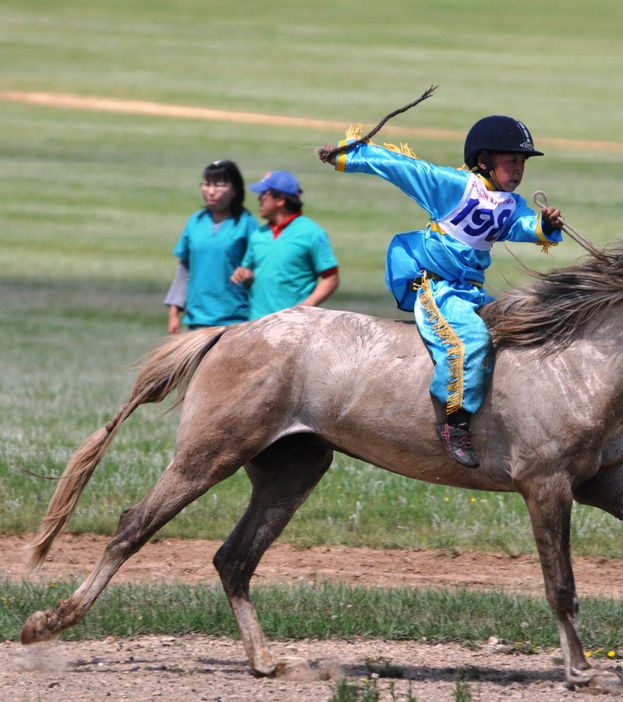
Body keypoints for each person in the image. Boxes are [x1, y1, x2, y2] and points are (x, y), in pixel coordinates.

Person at [318, 115, 564, 468]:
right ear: (483, 161)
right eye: (511, 160)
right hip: (437, 288)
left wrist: (545, 224)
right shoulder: (453, 185)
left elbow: (523, 226)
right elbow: (402, 167)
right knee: (470, 342)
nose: (519, 168)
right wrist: (344, 156)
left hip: (472, 292)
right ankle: (455, 423)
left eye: (522, 162)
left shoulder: (512, 204)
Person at [230, 170, 339, 319]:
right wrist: (244, 275)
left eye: (264, 194)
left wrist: (306, 307)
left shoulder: (312, 233)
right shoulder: (258, 235)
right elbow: (248, 273)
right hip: (256, 324)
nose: (259, 199)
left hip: (293, 326)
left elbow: (330, 278)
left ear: (280, 200)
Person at [165, 160, 257, 333]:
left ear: (235, 190)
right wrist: (174, 312)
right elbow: (185, 269)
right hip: (197, 319)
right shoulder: (195, 222)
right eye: (207, 184)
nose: (211, 191)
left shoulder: (247, 223)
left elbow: (259, 268)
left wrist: (249, 277)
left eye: (219, 185)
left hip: (235, 320)